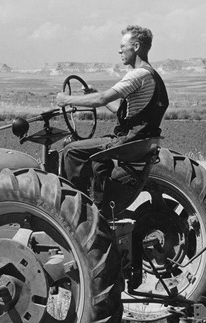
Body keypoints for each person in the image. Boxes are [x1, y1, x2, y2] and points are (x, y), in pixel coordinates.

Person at [56, 25, 168, 200]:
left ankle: (79, 205)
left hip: (129, 140)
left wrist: (66, 100)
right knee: (96, 159)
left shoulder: (137, 75)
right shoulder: (153, 75)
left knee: (71, 150)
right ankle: (100, 198)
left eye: (123, 47)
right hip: (140, 140)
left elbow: (102, 99)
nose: (119, 51)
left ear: (136, 47)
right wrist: (92, 94)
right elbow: (121, 111)